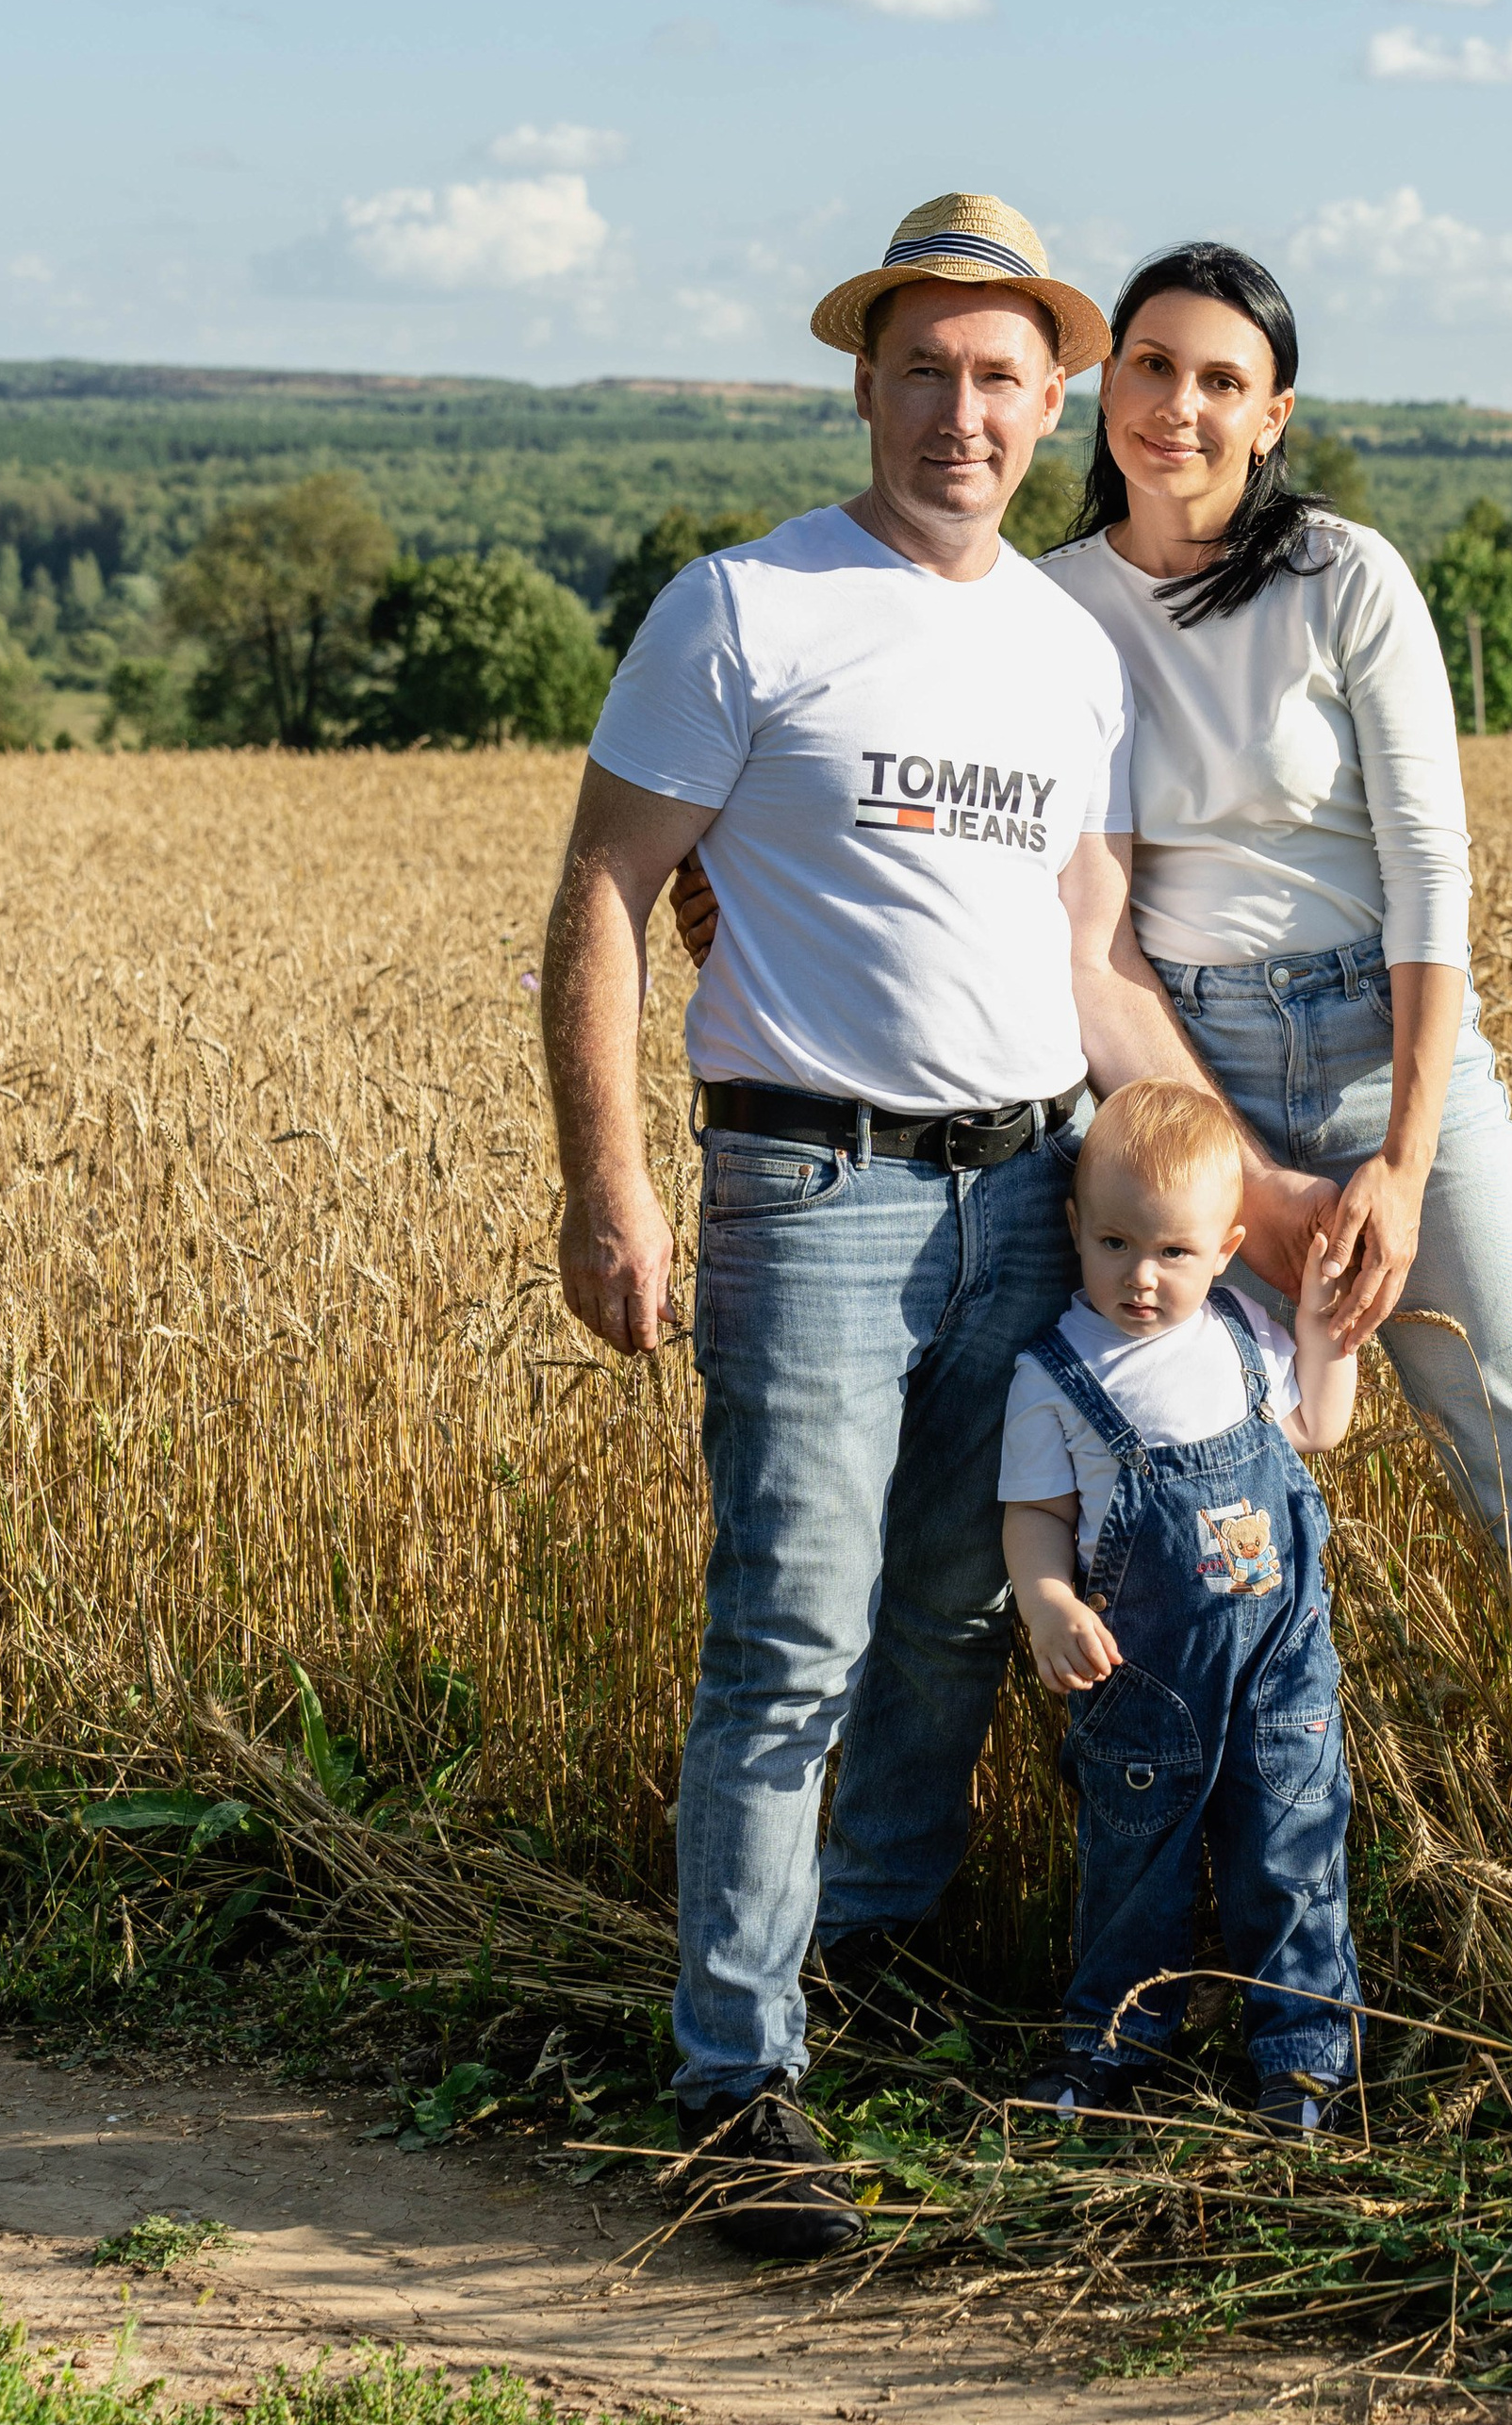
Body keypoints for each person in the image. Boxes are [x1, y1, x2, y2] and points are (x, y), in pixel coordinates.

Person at [539, 194, 1327, 2262]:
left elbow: (1080, 939)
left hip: (1025, 1197)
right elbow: (607, 891)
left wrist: (1236, 1188)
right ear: (864, 382)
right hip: (805, 1183)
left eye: (1000, 377)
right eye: (923, 370)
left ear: (1047, 398)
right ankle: (735, 2080)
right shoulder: (746, 608)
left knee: (954, 1612)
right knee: (786, 1627)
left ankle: (864, 1953)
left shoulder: (1063, 655)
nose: (960, 413)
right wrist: (604, 1178)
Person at [1034, 244, 1512, 1948]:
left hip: (1383, 1049)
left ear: (1274, 416)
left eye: (1222, 380)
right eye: (1152, 366)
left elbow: (1432, 875)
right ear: (1102, 387)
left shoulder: (1347, 578)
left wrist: (1404, 1162)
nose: (1179, 405)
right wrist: (1237, 1186)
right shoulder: (1053, 605)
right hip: (1165, 1064)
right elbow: (1093, 928)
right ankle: (1178, 1942)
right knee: (1149, 1483)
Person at [1000, 1079, 1363, 2136]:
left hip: (1279, 1673)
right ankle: (1109, 2048)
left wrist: (1322, 1322)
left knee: (1291, 1858)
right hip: (1139, 1683)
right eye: (1113, 1244)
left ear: (1225, 1248)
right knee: (1132, 1869)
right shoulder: (1057, 1374)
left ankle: (1301, 2065)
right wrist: (1047, 1602)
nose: (1141, 1278)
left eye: (1172, 1253)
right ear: (1074, 1228)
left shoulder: (1247, 1339)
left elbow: (1319, 1430)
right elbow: (1035, 1514)